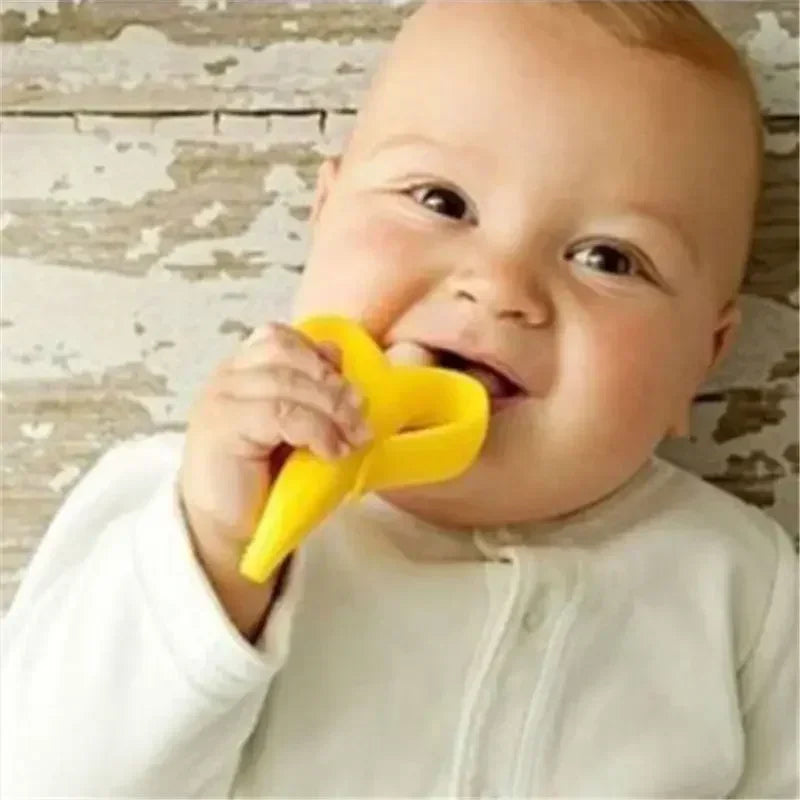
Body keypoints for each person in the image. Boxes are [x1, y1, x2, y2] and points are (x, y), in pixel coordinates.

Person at [2, 1, 797, 797]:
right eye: (442, 202)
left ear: (703, 358)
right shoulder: (183, 507)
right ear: (323, 215)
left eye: (609, 259)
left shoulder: (739, 585)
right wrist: (218, 561)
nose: (498, 285)